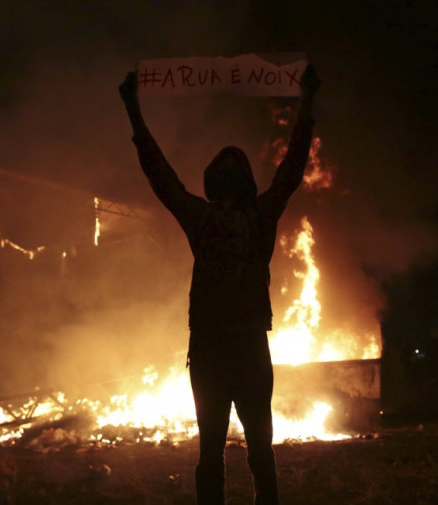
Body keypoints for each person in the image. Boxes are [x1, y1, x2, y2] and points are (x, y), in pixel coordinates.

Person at [119, 63, 320, 505]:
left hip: (226, 347)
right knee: (235, 453)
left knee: (235, 454)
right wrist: (306, 106)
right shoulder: (250, 216)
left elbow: (163, 178)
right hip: (231, 347)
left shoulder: (211, 218)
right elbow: (163, 177)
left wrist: (134, 111)